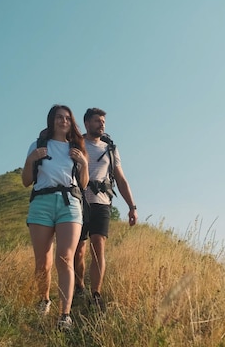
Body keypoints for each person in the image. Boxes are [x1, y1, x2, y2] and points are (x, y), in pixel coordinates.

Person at [21, 104, 89, 330]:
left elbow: (84, 183)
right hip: (41, 203)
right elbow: (26, 181)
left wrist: (84, 163)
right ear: (51, 121)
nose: (63, 121)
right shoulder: (38, 145)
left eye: (67, 118)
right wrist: (31, 159)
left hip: (69, 203)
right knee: (43, 262)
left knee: (65, 258)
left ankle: (65, 315)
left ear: (72, 122)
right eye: (59, 117)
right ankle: (44, 300)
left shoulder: (76, 147)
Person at [73, 107, 138, 311]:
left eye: (103, 121)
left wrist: (132, 206)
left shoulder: (110, 149)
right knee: (79, 251)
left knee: (98, 248)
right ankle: (79, 286)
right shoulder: (76, 144)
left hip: (102, 202)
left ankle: (96, 294)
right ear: (86, 123)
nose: (101, 124)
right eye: (97, 121)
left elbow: (120, 178)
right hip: (78, 201)